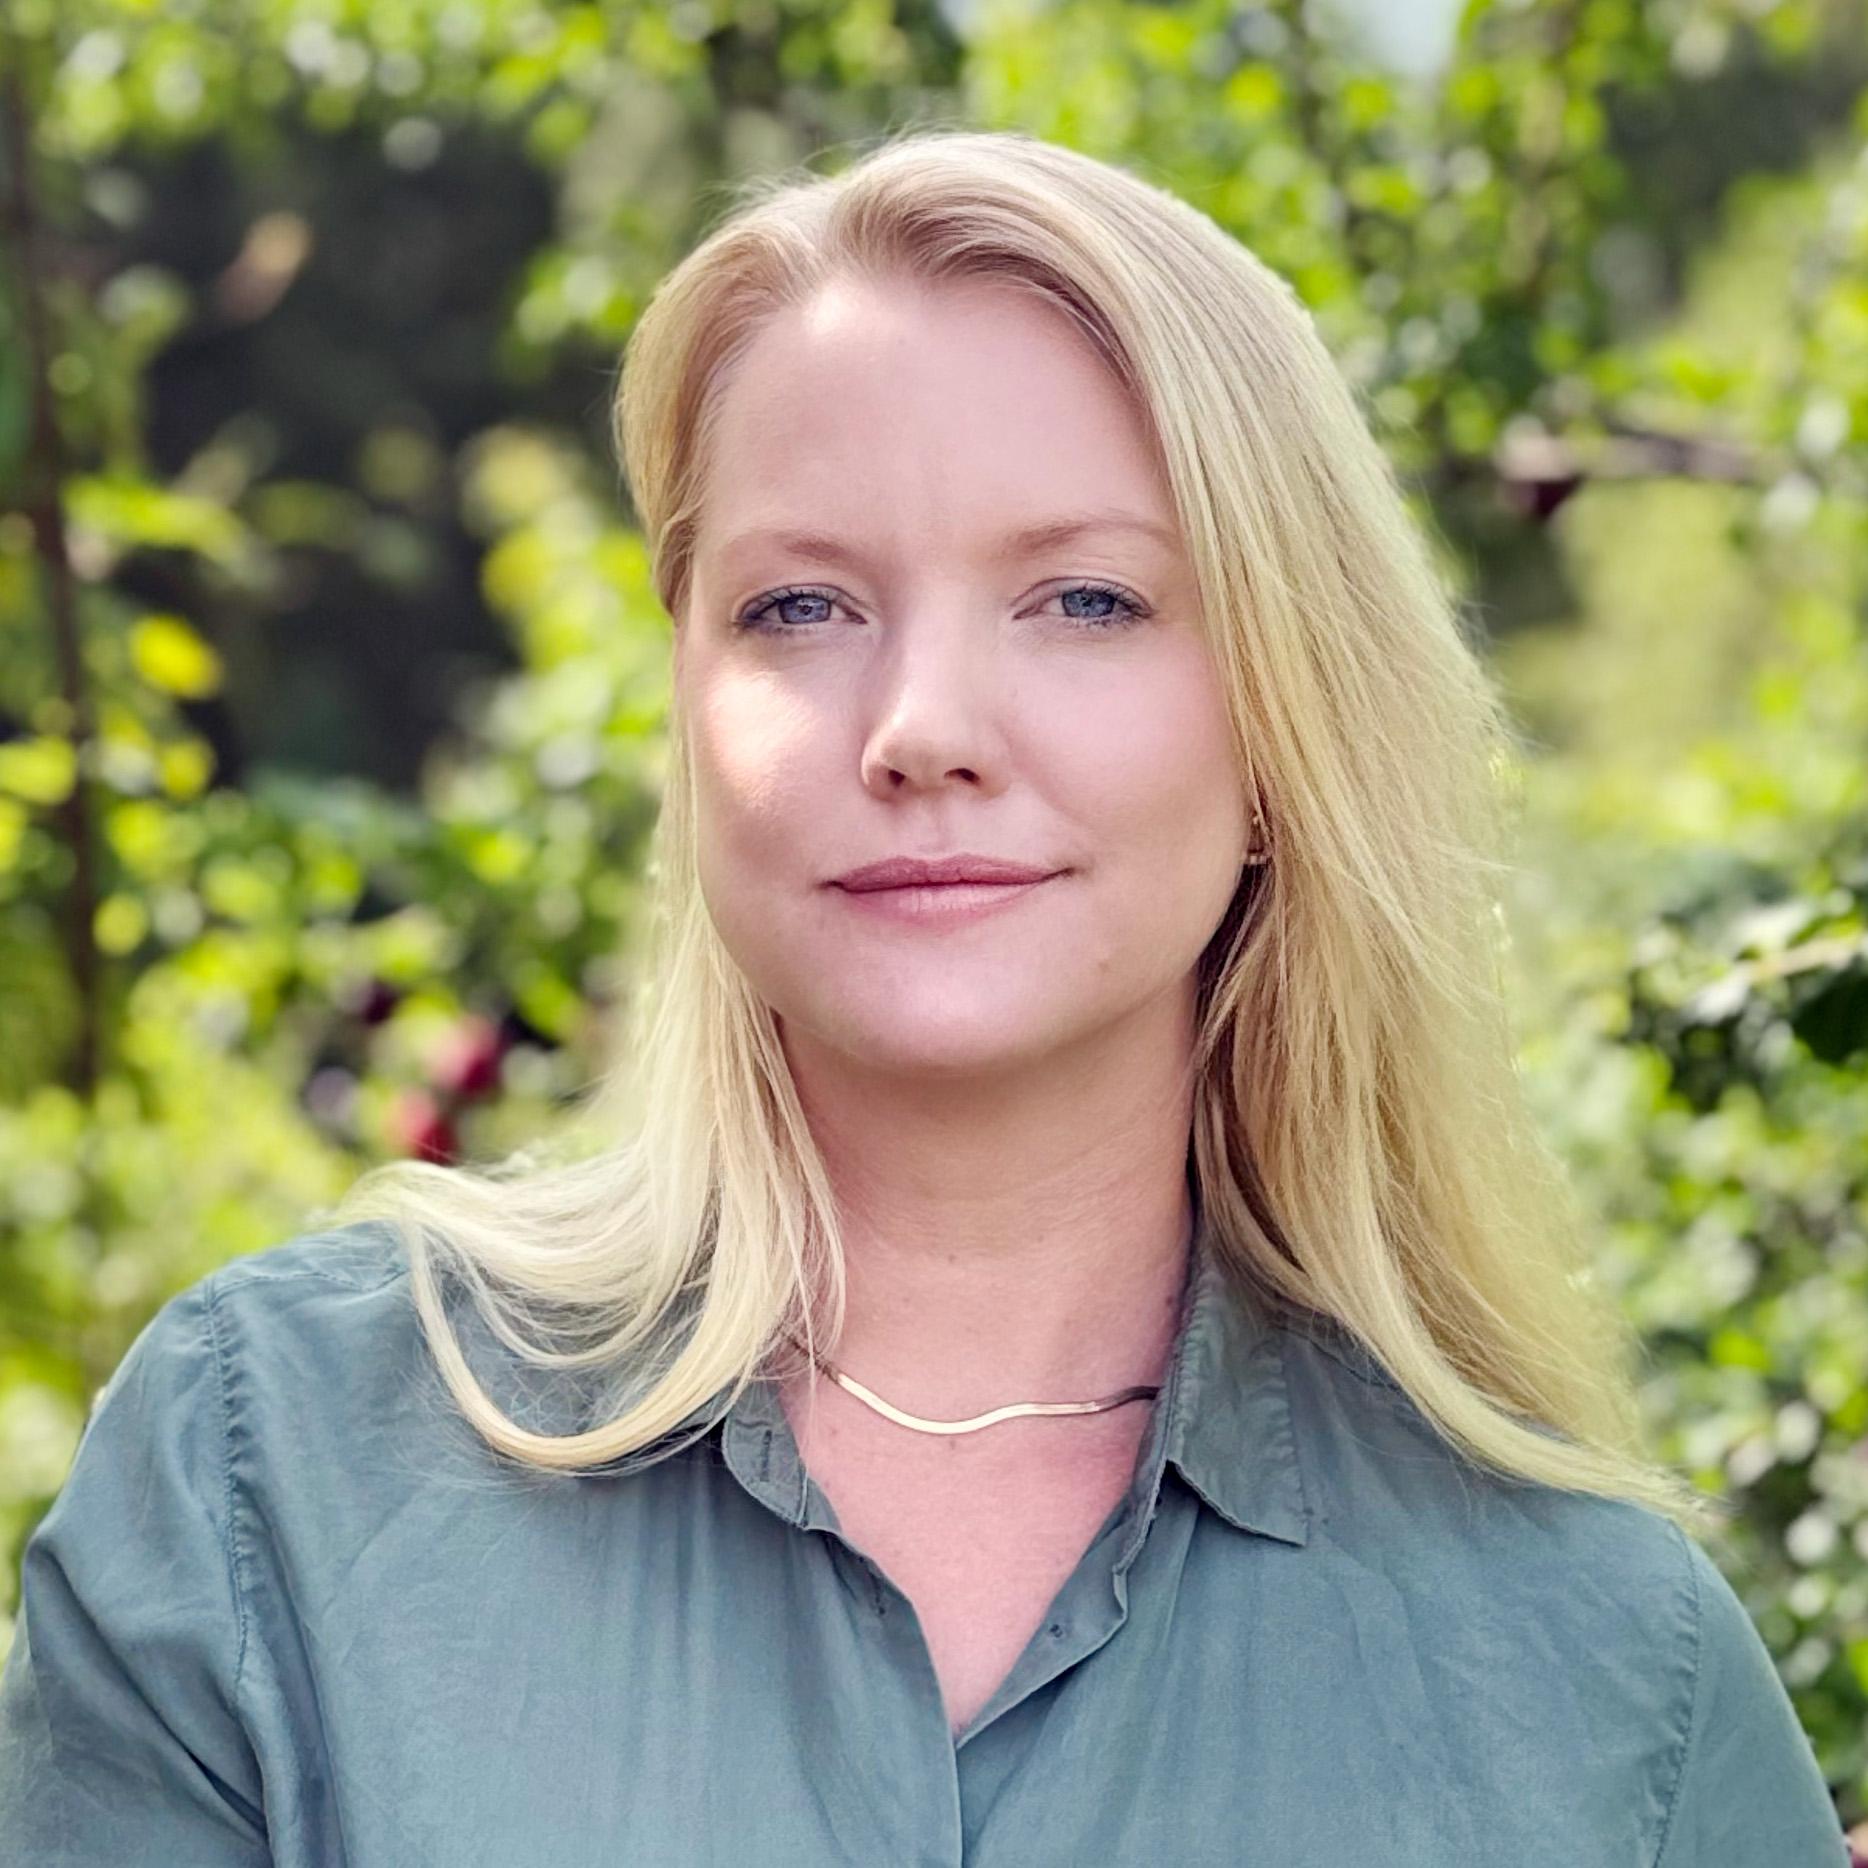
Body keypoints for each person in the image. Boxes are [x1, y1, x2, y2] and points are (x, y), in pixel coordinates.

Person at [0, 125, 1850, 1866]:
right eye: (800, 606)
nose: (922, 728)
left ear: (1284, 716)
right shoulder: (271, 1476)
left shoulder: (1610, 1680)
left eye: (1087, 601)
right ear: (688, 707)